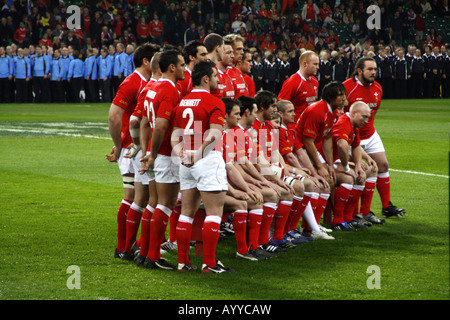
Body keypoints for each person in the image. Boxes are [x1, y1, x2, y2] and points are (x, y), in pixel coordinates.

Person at [171, 60, 233, 273]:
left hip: (185, 160)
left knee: (186, 213)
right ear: (206, 78)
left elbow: (175, 135)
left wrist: (181, 153)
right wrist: (198, 154)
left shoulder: (183, 102)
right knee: (214, 212)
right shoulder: (214, 101)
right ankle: (209, 263)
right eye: (215, 76)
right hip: (205, 158)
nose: (218, 80)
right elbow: (214, 134)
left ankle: (182, 262)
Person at [106, 43, 159, 259]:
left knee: (142, 198)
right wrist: (119, 144)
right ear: (146, 61)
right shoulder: (132, 83)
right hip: (132, 149)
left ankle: (132, 245)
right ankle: (123, 247)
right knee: (133, 197)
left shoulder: (146, 83)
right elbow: (114, 116)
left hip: (138, 147)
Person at [139, 49, 186, 270]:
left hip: (154, 152)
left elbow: (143, 123)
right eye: (183, 64)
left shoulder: (153, 87)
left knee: (153, 203)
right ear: (171, 67)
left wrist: (147, 152)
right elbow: (161, 125)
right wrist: (155, 153)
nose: (186, 68)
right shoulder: (169, 89)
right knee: (166, 204)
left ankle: (145, 252)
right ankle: (153, 256)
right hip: (165, 153)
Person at [343, 57, 406, 220]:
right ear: (359, 71)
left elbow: (372, 114)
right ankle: (358, 212)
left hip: (370, 134)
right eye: (370, 69)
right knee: (362, 170)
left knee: (383, 165)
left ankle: (386, 207)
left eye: (375, 69)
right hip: (351, 136)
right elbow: (339, 114)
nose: (373, 72)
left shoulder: (378, 88)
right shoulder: (347, 87)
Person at [324, 101, 375, 230]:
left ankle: (349, 217)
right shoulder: (343, 123)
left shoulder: (353, 125)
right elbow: (341, 145)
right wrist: (347, 168)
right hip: (326, 163)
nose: (367, 121)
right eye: (364, 117)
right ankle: (337, 220)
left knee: (364, 171)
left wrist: (357, 165)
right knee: (349, 177)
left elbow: (355, 145)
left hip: (332, 162)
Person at [278, 50, 319, 123]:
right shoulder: (292, 82)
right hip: (295, 127)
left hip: (308, 126)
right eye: (315, 64)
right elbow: (281, 107)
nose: (318, 67)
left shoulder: (315, 81)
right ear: (304, 64)